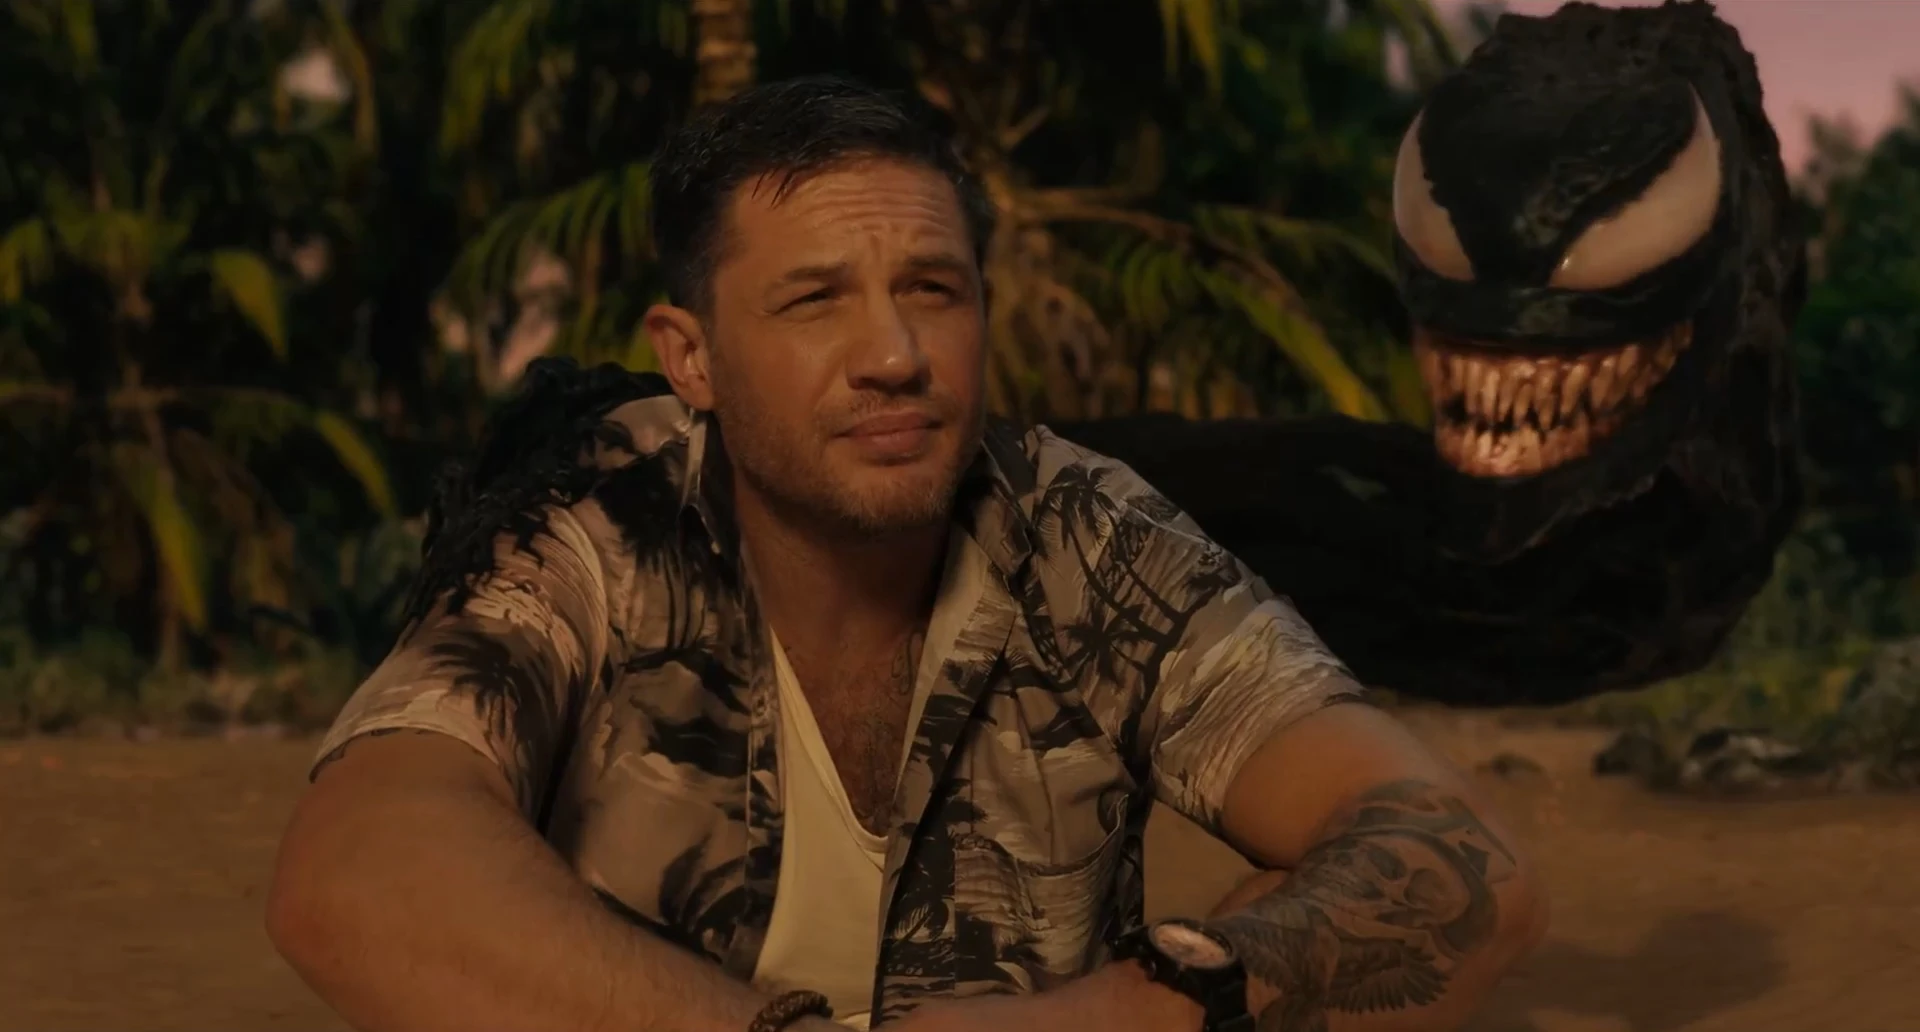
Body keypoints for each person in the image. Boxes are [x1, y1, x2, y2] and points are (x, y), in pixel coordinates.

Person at [265, 75, 1546, 1032]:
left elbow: (1457, 855)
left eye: (934, 289)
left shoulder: (1082, 536)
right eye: (814, 300)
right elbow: (361, 869)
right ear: (691, 357)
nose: (895, 355)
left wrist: (1134, 1015)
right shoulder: (595, 527)